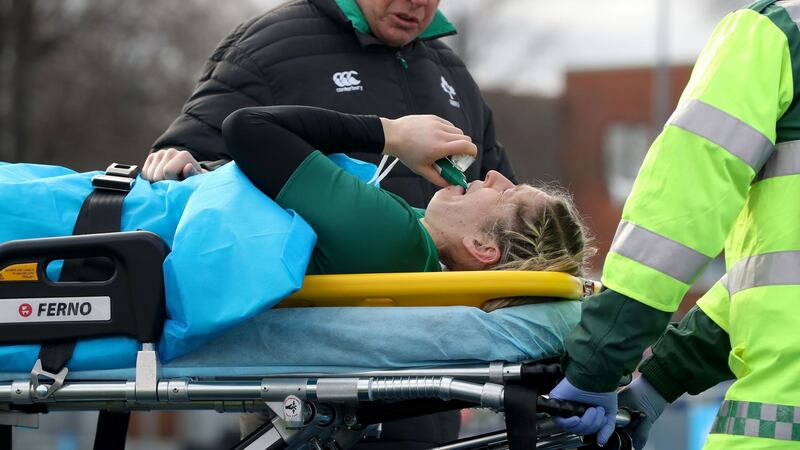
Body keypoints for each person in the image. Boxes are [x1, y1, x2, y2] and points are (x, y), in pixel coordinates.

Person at [217, 104, 593, 439]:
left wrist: (391, 134)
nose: (494, 175)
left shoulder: (394, 237)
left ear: (482, 247)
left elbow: (248, 126)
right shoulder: (415, 249)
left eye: (506, 195)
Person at [547, 1, 800, 449]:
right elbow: (774, 281)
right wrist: (660, 379)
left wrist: (598, 358)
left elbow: (684, 201)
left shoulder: (778, 34)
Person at [144, 0, 516, 210]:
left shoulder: (453, 72)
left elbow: (504, 195)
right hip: (314, 304)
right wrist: (187, 164)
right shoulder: (270, 45)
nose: (416, 2)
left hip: (449, 305)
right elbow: (184, 164)